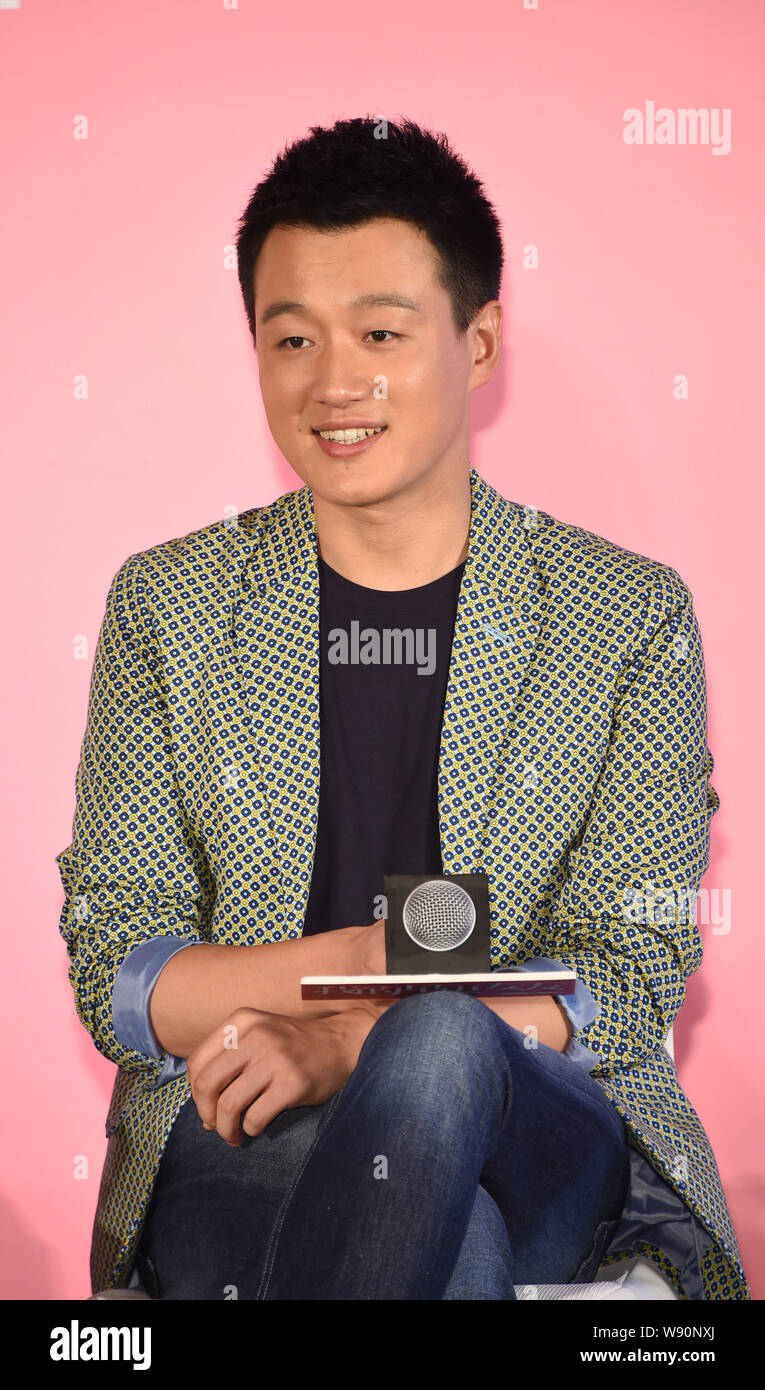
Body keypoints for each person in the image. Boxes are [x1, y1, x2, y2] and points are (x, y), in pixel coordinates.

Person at [56, 115, 749, 1301]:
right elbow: (120, 967)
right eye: (291, 338)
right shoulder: (168, 605)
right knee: (452, 1252)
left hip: (535, 1131)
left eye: (380, 331)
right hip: (245, 1126)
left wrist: (356, 1038)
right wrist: (353, 967)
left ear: (478, 342)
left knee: (435, 1045)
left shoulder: (627, 613)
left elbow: (629, 980)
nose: (333, 382)